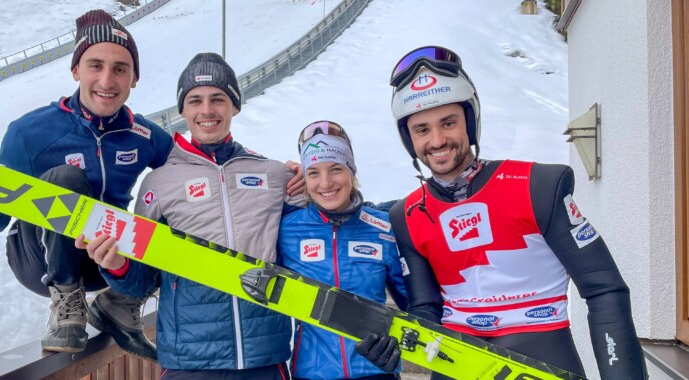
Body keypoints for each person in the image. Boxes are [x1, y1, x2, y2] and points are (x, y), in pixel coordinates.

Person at [355, 46, 648, 379]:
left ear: (470, 122)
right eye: (422, 129)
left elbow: (604, 289)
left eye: (448, 122)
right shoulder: (405, 214)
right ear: (409, 139)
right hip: (456, 364)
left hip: (541, 359)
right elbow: (427, 308)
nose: (437, 140)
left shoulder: (538, 186)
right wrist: (395, 344)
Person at [0, 9, 172, 359]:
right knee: (66, 178)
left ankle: (120, 303)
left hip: (105, 258)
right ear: (76, 70)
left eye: (120, 69)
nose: (107, 81)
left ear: (134, 78)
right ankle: (66, 304)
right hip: (38, 258)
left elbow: (198, 164)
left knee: (178, 192)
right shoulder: (30, 132)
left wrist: (275, 173)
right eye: (95, 65)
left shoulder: (143, 136)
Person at [81, 52, 305, 380]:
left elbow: (312, 241)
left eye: (218, 98)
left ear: (235, 106)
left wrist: (311, 183)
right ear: (183, 110)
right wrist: (117, 265)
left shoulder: (273, 175)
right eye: (195, 100)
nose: (207, 110)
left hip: (264, 358)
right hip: (189, 363)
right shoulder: (159, 181)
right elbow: (143, 279)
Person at [277, 120, 408, 380]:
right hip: (311, 373)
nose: (325, 183)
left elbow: (414, 305)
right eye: (313, 172)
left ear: (351, 171)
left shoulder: (382, 227)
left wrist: (399, 343)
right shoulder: (286, 230)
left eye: (335, 169)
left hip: (376, 371)